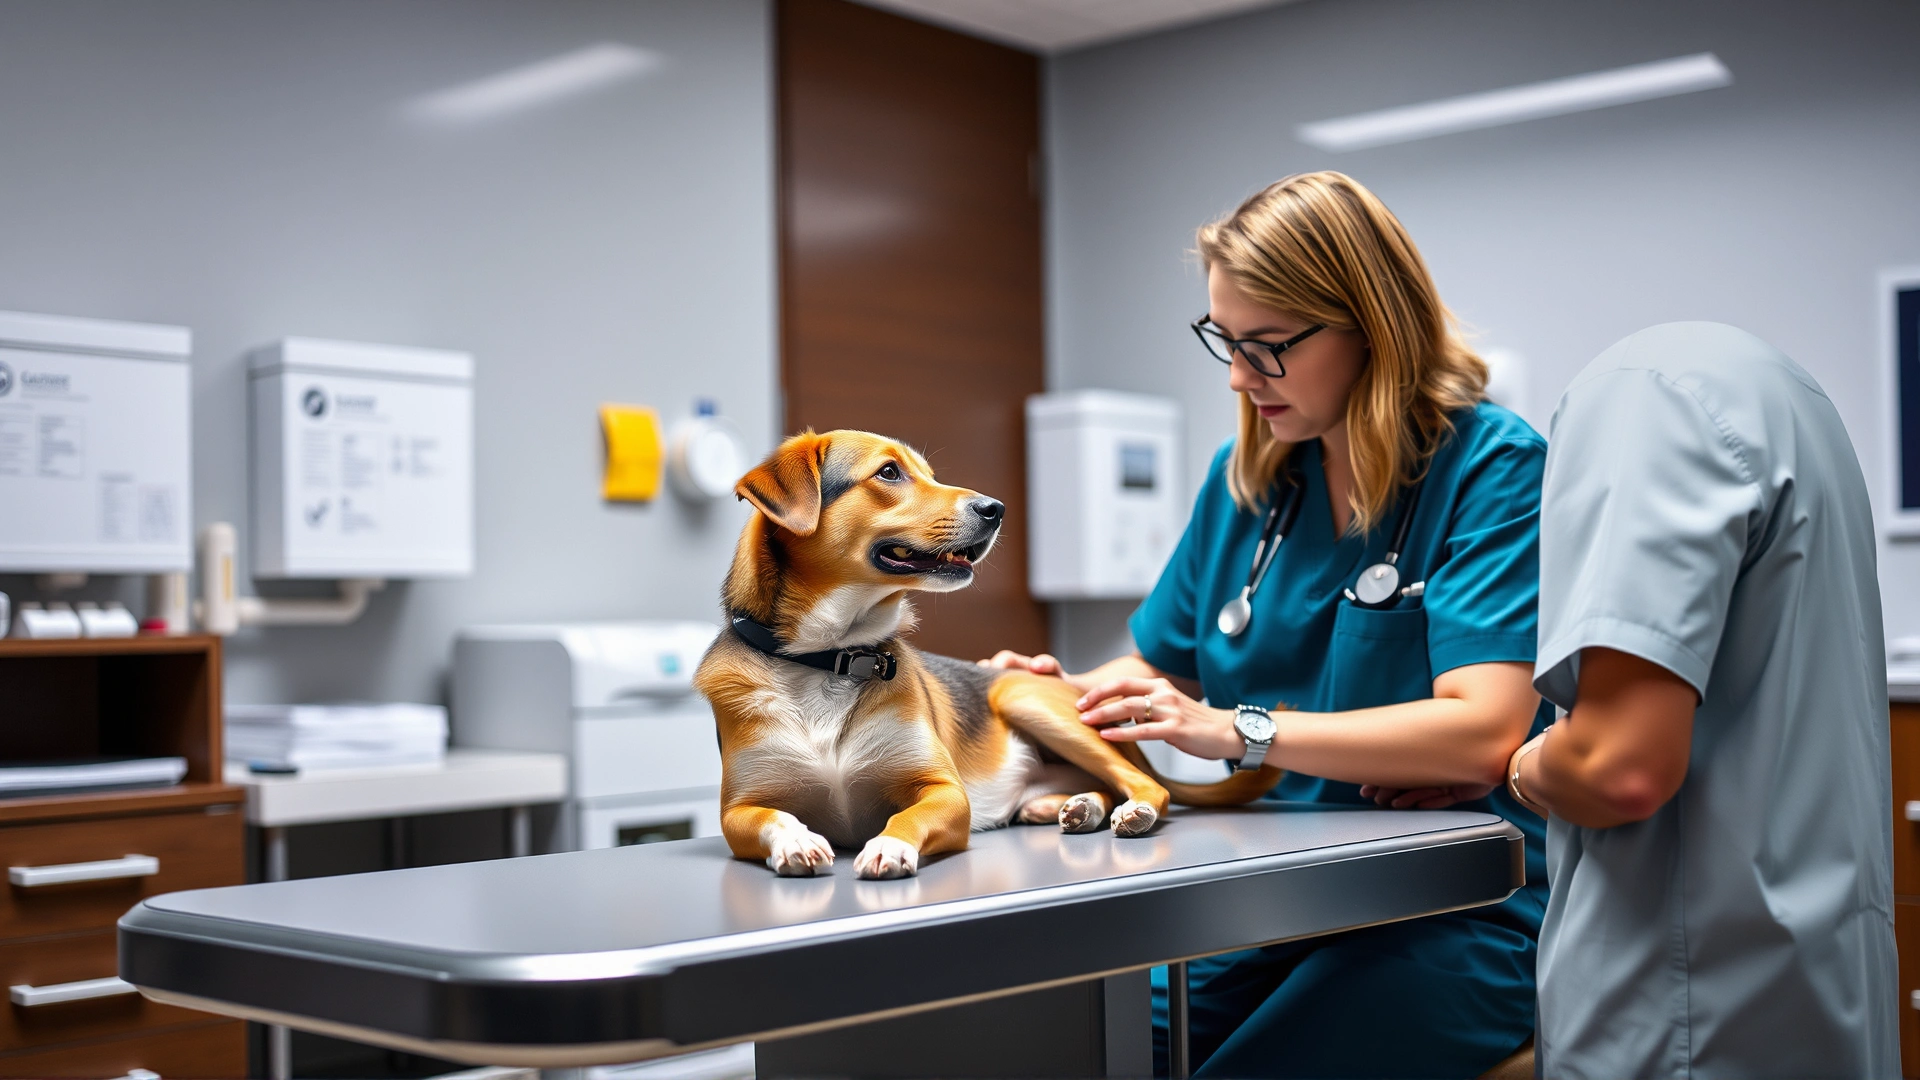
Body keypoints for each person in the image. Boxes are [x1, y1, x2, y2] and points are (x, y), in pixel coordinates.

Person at [990, 171, 1549, 1078]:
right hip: (1266, 900)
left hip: (1457, 911)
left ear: (1373, 325)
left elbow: (1483, 732)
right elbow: (1160, 670)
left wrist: (1241, 733)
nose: (1243, 376)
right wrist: (1039, 695)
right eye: (1225, 341)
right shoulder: (1250, 479)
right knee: (1078, 1044)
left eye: (1270, 346)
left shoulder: (1493, 469)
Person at [1504, 322, 1899, 1078]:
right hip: (1809, 985)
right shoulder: (1794, 401)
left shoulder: (1639, 403)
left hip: (1682, 1006)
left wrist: (1529, 764)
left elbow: (1618, 768)